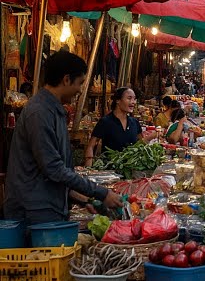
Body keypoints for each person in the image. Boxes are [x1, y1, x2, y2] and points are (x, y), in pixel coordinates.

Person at [3, 51, 122, 226]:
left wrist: (83, 200)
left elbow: (51, 170)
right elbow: (53, 168)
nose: (80, 90)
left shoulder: (54, 110)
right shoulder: (39, 113)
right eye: (80, 83)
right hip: (33, 211)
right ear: (66, 79)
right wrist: (101, 193)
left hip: (46, 207)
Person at [83, 87, 154, 166]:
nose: (133, 102)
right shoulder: (105, 122)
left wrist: (151, 137)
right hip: (109, 170)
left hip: (131, 169)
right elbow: (91, 146)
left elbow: (141, 145)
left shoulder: (134, 123)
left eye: (134, 99)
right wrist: (88, 169)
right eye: (129, 98)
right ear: (118, 100)